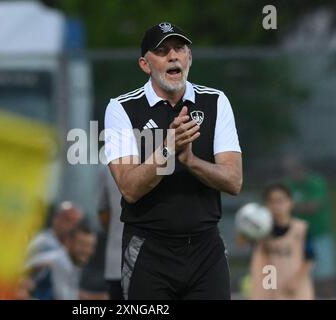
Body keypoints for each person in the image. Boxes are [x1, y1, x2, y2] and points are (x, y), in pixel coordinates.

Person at [103, 22, 242, 299]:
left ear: (189, 58)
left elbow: (233, 180)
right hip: (149, 250)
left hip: (206, 250)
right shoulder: (122, 108)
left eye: (179, 48)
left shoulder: (215, 101)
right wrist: (168, 147)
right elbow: (129, 188)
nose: (173, 56)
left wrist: (190, 160)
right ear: (145, 64)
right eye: (162, 51)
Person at [283, 155, 336, 297]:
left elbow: (313, 206)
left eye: (295, 168)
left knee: (325, 278)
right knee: (300, 279)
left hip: (319, 236)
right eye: (289, 169)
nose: (293, 172)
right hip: (297, 239)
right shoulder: (287, 185)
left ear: (303, 167)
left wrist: (291, 206)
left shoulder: (316, 182)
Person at [250, 183, 315, 300]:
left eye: (280, 201)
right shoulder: (259, 231)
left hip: (295, 290)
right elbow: (242, 242)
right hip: (268, 290)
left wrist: (296, 280)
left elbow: (310, 258)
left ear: (290, 202)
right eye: (271, 201)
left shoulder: (301, 229)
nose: (276, 206)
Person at [25, 222, 97, 300]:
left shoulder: (73, 262)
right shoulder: (58, 261)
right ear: (68, 242)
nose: (86, 250)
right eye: (82, 244)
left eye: (90, 246)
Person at [97, 166, 124, 300]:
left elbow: (103, 213)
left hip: (116, 263)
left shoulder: (109, 166)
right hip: (158, 266)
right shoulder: (166, 159)